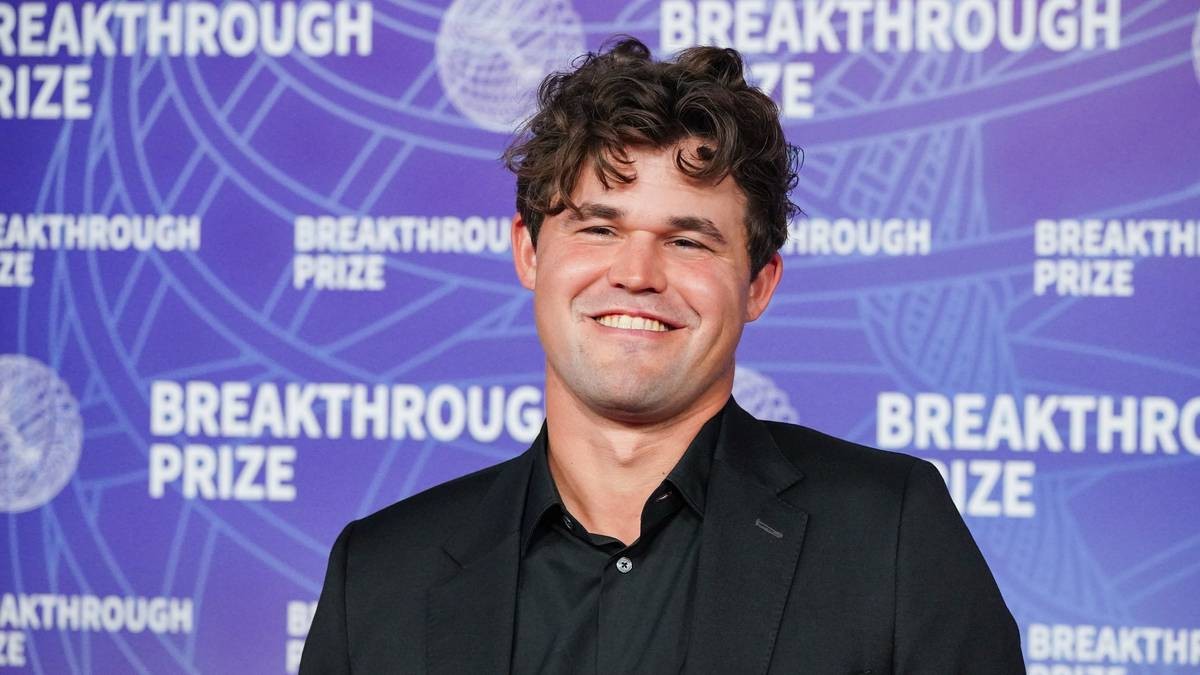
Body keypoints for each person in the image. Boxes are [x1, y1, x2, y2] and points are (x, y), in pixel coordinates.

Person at [300, 37, 1024, 674]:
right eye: (599, 229)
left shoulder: (888, 536)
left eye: (687, 240)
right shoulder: (379, 577)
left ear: (758, 284)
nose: (637, 273)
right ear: (528, 252)